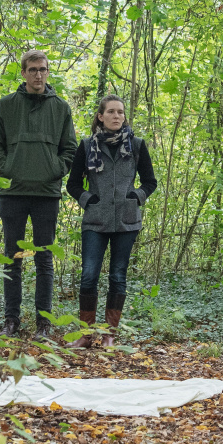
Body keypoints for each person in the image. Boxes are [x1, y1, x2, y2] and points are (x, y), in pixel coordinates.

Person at [0, 49, 78, 337]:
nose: (39, 74)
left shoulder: (61, 108)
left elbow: (70, 149)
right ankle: (11, 321)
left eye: (43, 69)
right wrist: (8, 169)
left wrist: (53, 169)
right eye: (33, 69)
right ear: (23, 73)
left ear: (48, 72)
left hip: (47, 194)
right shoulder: (6, 105)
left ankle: (44, 323)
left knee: (44, 260)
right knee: (13, 257)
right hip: (13, 192)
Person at [67, 94, 157, 349]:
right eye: (111, 112)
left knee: (118, 276)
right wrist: (88, 199)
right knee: (89, 276)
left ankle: (109, 335)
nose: (117, 116)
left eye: (120, 112)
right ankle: (86, 335)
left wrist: (136, 196)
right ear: (100, 116)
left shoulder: (137, 145)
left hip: (127, 222)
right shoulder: (87, 145)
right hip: (95, 220)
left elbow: (150, 182)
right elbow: (72, 184)